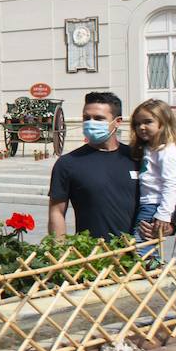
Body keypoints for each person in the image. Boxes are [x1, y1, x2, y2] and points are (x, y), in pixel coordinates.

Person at [48, 91, 139, 240]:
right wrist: (59, 250)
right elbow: (56, 212)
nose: (91, 123)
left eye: (99, 118)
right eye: (86, 118)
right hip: (92, 256)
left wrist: (169, 224)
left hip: (137, 253)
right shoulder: (68, 163)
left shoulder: (136, 158)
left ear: (117, 121)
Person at [129, 99, 176, 256]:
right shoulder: (149, 148)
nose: (141, 127)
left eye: (148, 122)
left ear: (164, 123)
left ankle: (149, 273)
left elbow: (172, 184)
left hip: (156, 204)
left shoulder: (168, 151)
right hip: (150, 202)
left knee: (142, 246)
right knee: (143, 244)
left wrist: (163, 214)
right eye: (137, 123)